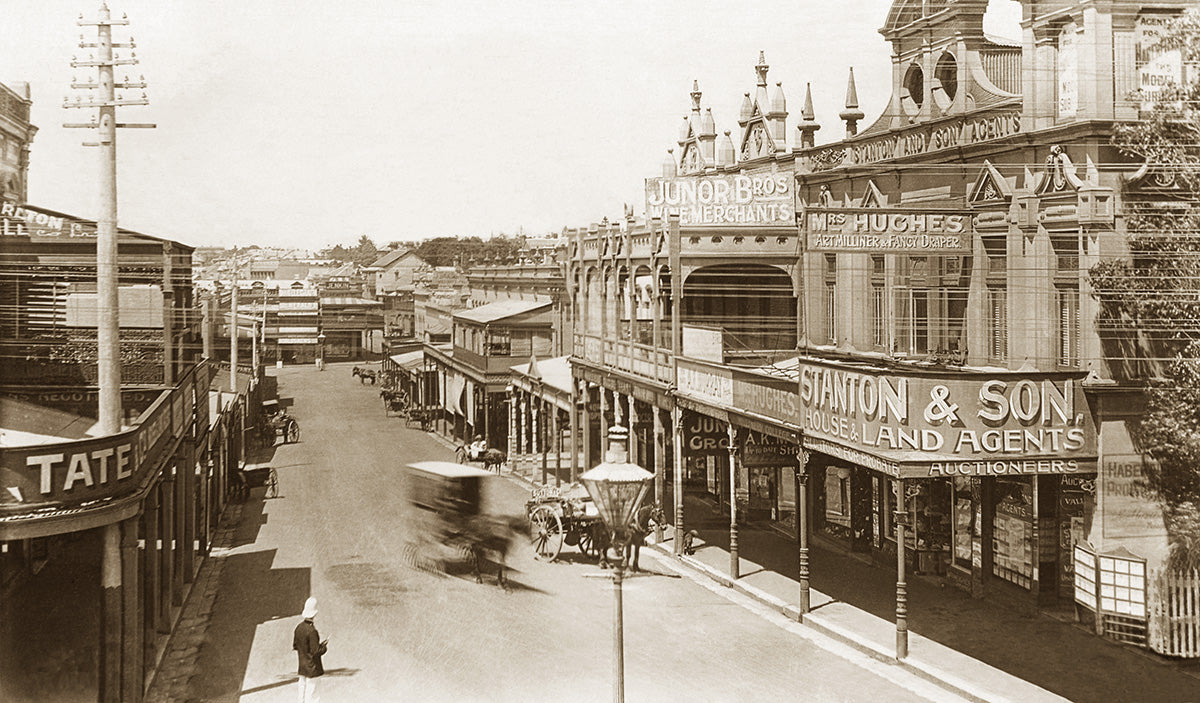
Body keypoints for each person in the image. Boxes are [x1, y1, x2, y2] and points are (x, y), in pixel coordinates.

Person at [293, 597, 328, 703]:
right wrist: (323, 647)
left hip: (302, 666)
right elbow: (315, 651)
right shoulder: (312, 631)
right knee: (313, 694)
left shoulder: (298, 628)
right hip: (312, 668)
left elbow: (295, 645)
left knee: (302, 692)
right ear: (314, 614)